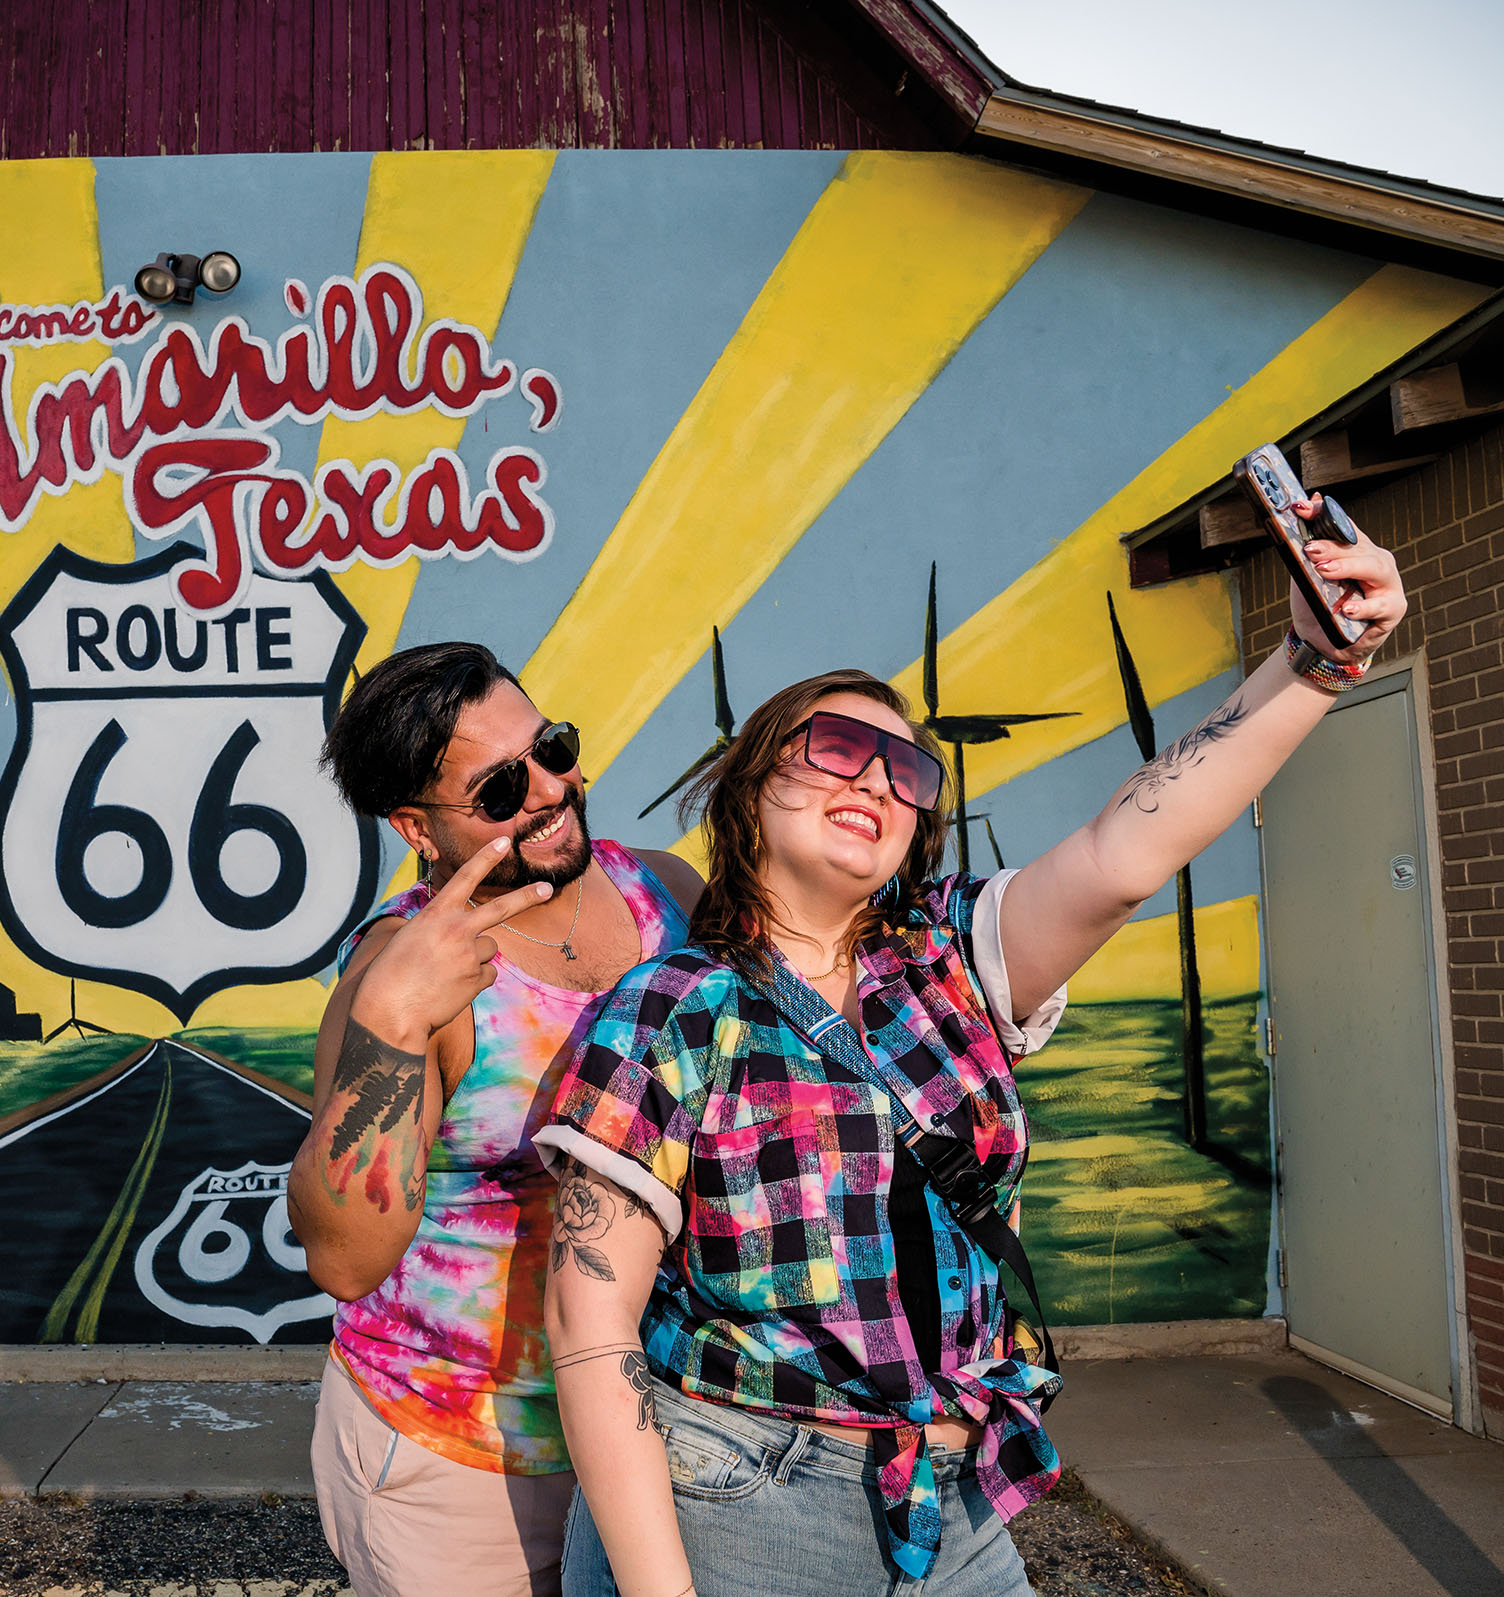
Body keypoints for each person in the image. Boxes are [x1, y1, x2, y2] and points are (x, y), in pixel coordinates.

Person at [533, 506, 1406, 1595]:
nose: (878, 781)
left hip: (955, 1496)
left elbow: (1125, 852)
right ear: (749, 784)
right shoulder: (669, 1007)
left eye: (909, 772)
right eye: (839, 747)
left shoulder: (952, 965)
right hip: (740, 1490)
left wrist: (1318, 662)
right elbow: (590, 1319)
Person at [290, 640, 704, 1597]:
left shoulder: (667, 895)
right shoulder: (402, 974)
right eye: (500, 786)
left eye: (551, 747)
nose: (551, 788)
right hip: (467, 1457)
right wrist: (394, 1022)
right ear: (416, 826)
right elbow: (345, 1258)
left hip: (666, 1431)